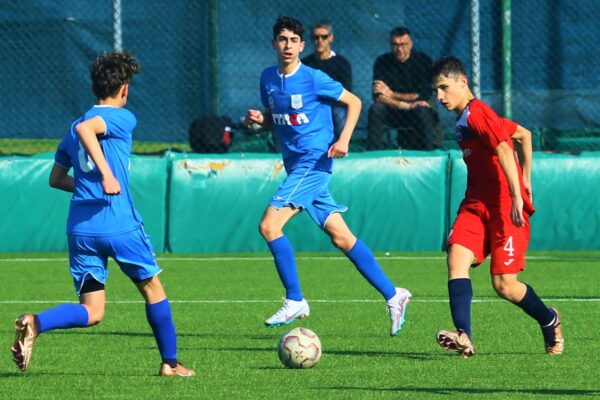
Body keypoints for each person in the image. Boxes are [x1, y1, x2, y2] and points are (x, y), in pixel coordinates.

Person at [10, 51, 195, 377]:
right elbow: (87, 129)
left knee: (93, 312)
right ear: (124, 89)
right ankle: (170, 363)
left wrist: (88, 187)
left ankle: (36, 323)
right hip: (118, 223)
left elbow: (55, 179)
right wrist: (107, 175)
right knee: (153, 289)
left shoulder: (71, 127)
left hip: (82, 229)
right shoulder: (122, 117)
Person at [246, 16, 411, 336]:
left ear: (302, 46)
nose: (288, 46)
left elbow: (355, 101)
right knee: (342, 237)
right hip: (296, 165)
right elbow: (277, 121)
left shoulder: (313, 78)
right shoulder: (267, 78)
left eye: (294, 41)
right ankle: (394, 294)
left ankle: (295, 299)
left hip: (314, 162)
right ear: (274, 44)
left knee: (269, 225)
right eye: (282, 39)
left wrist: (345, 138)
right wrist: (259, 120)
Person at [431, 55, 563, 357]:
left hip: (505, 207)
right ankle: (464, 335)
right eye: (436, 90)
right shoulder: (466, 118)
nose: (439, 96)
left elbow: (505, 147)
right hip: (475, 205)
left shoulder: (478, 113)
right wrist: (526, 177)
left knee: (504, 285)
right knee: (456, 259)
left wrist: (518, 193)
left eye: (444, 87)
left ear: (463, 82)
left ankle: (549, 319)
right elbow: (522, 134)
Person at [367, 26, 440, 150]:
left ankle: (429, 152)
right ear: (390, 45)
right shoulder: (382, 62)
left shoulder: (423, 61)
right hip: (392, 110)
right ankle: (373, 153)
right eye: (395, 44)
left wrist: (391, 94)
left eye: (404, 44)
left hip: (417, 109)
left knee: (423, 108)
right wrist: (406, 104)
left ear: (410, 44)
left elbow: (424, 95)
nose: (399, 49)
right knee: (376, 109)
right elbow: (378, 97)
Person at [302, 19, 352, 138]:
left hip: (335, 105)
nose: (319, 41)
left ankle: (343, 148)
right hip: (310, 105)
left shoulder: (342, 63)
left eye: (324, 37)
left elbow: (346, 90)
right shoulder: (304, 64)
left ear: (331, 38)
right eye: (316, 37)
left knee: (338, 114)